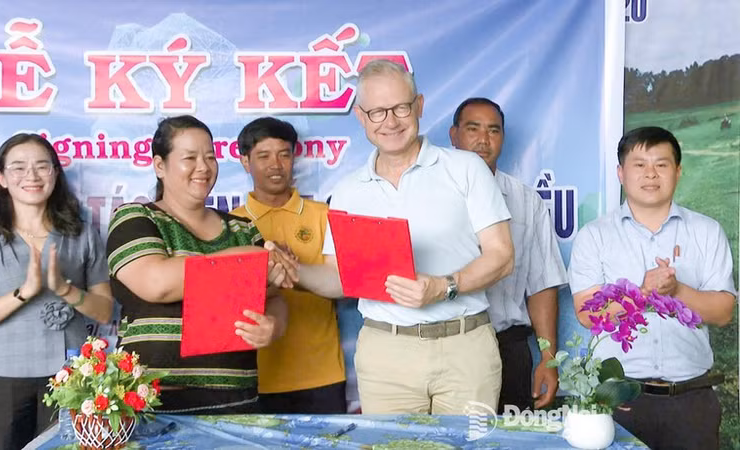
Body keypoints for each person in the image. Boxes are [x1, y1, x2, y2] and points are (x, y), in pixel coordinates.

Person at [296, 60, 515, 414]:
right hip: (386, 353)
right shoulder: (349, 190)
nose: (391, 121)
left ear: (420, 106)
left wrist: (444, 286)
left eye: (400, 107)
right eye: (378, 112)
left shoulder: (465, 168)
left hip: (465, 347)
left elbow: (502, 256)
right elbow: (340, 278)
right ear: (361, 117)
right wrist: (293, 271)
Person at [106, 115, 288, 415]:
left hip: (235, 398)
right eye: (189, 158)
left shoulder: (243, 229)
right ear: (159, 165)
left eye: (210, 157)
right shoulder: (136, 218)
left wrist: (274, 326)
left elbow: (274, 297)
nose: (203, 167)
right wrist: (243, 259)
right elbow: (157, 284)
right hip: (152, 399)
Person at [569, 126, 736, 449]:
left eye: (661, 164)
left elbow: (724, 312)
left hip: (691, 400)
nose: (650, 174)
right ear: (620, 173)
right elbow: (588, 315)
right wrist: (642, 293)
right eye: (639, 165)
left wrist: (675, 291)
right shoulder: (595, 236)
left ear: (678, 171)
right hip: (619, 399)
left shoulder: (706, 231)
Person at [0, 133, 114, 450]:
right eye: (19, 167)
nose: (32, 176)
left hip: (72, 375)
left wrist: (65, 289)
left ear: (55, 173)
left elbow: (105, 310)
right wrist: (24, 292)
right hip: (3, 379)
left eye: (42, 166)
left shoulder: (82, 235)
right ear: (1, 178)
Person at [449, 98, 566, 412]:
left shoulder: (525, 200)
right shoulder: (430, 195)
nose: (483, 140)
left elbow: (542, 284)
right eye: (473, 129)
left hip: (507, 347)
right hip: (445, 345)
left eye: (493, 131)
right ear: (453, 135)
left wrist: (548, 356)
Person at [230, 116, 346, 414]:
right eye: (263, 156)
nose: (275, 165)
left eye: (284, 154)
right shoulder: (232, 224)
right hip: (256, 376)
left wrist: (294, 274)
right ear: (245, 162)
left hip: (321, 373)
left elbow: (345, 286)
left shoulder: (324, 215)